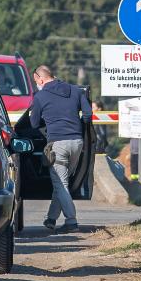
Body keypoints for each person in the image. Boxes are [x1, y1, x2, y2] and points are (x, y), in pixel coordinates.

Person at [30, 65, 92, 233]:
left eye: (36, 81)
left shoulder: (40, 96)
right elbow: (87, 115)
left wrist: (48, 125)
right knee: (62, 183)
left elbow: (34, 123)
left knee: (61, 184)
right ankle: (51, 218)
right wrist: (77, 127)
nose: (37, 84)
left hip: (57, 144)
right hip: (77, 143)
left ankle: (71, 222)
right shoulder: (75, 90)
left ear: (40, 79)